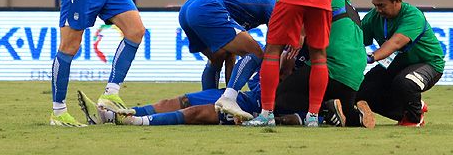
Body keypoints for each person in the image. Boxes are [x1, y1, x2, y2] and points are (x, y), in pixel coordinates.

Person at [274, 0, 374, 128]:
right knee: (346, 117)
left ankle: (326, 109)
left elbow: (302, 6)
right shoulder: (354, 13)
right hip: (354, 77)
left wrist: (299, 34)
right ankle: (356, 116)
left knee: (281, 96)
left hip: (332, 68)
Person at [356, 0, 445, 127]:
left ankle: (414, 119)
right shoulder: (374, 16)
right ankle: (411, 109)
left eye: (382, 5)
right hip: (397, 65)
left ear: (397, 1)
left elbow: (395, 43)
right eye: (375, 5)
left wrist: (371, 57)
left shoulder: (413, 15)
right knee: (362, 92)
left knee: (405, 83)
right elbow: (356, 41)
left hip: (428, 64)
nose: (377, 10)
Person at [178, 0, 276, 120]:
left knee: (218, 58)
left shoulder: (245, 3)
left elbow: (231, 56)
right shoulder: (272, 3)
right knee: (256, 53)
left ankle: (207, 104)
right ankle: (229, 98)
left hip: (188, 9)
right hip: (206, 8)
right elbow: (274, 45)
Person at [75, 73, 302, 126]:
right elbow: (254, 81)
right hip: (236, 95)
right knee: (178, 100)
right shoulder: (274, 47)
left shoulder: (307, 63)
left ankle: (130, 122)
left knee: (195, 114)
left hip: (251, 109)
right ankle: (108, 115)